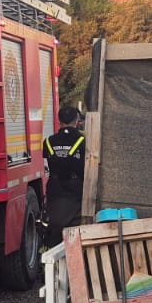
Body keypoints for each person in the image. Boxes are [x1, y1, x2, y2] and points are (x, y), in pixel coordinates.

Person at [43, 104, 87, 246]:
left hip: (55, 190)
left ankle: (54, 261)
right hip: (76, 191)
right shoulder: (83, 140)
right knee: (74, 233)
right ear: (77, 121)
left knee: (56, 231)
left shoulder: (49, 141)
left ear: (59, 121)